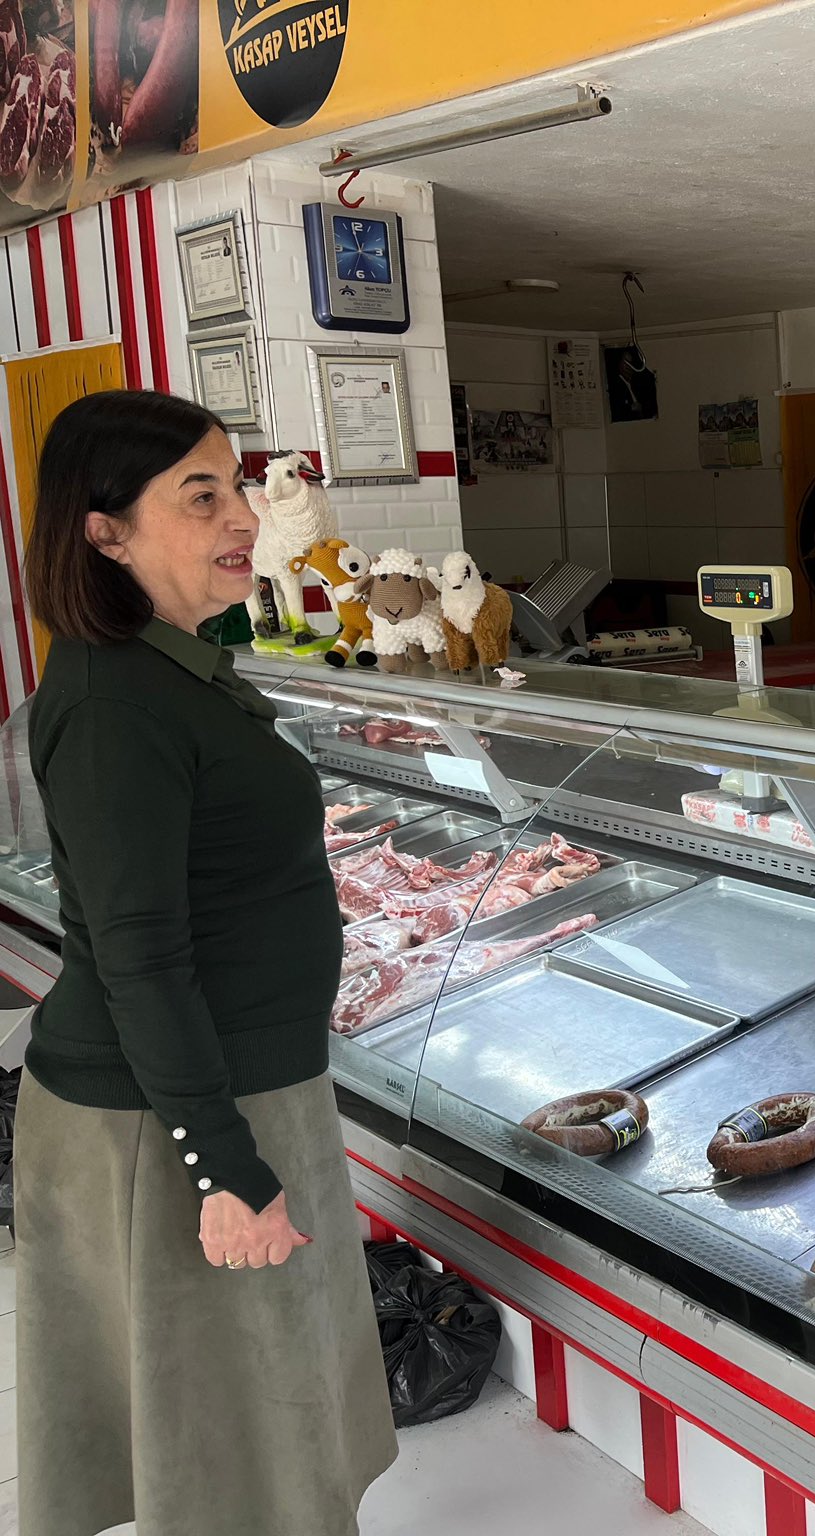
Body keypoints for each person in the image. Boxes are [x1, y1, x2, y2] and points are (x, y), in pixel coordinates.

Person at [16, 391, 396, 1534]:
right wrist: (221, 1166)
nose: (242, 517)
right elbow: (139, 955)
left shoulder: (171, 666)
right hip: (168, 1112)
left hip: (232, 1083)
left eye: (236, 486)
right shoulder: (114, 702)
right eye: (201, 495)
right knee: (234, 1441)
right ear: (104, 531)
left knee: (264, 1415)